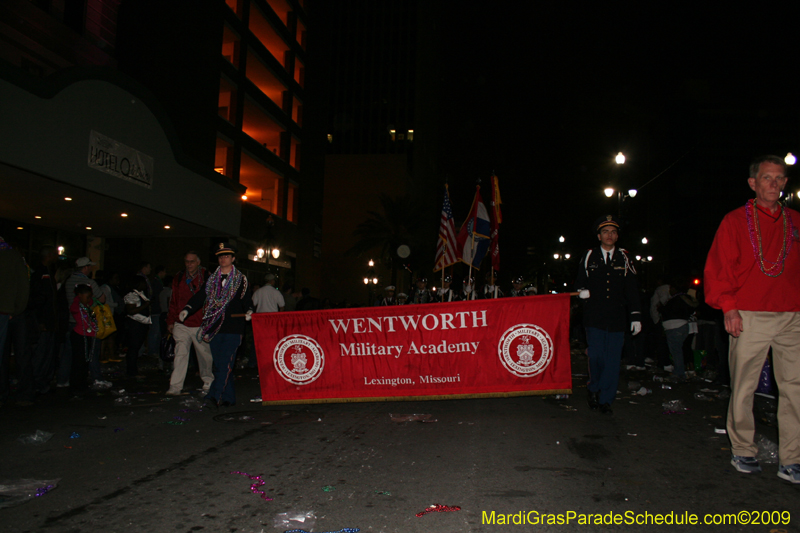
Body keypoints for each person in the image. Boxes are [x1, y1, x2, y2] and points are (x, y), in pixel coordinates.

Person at [704, 155, 800, 483]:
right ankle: (743, 449)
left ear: (785, 183)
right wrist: (729, 307)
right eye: (767, 178)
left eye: (779, 178)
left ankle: (792, 458)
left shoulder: (796, 221)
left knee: (794, 389)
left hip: (793, 316)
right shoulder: (734, 221)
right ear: (753, 183)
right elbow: (719, 267)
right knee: (744, 386)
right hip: (750, 315)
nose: (773, 184)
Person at [575, 215, 642, 414]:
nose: (609, 235)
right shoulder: (589, 256)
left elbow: (632, 290)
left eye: (613, 232)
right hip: (594, 316)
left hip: (617, 317)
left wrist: (636, 316)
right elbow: (578, 282)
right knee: (596, 356)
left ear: (617, 236)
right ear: (599, 236)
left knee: (613, 360)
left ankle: (606, 399)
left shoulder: (625, 257)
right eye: (605, 231)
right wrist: (581, 292)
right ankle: (593, 387)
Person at [179, 243, 252, 409]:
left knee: (225, 363)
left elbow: (247, 299)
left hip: (233, 328)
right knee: (221, 365)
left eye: (226, 256)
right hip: (215, 327)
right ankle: (229, 398)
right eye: (220, 256)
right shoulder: (212, 279)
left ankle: (214, 395)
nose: (223, 259)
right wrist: (187, 309)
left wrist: (249, 311)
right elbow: (200, 296)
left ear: (233, 258)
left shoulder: (241, 279)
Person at [166, 251, 213, 396]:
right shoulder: (179, 277)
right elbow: (174, 300)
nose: (189, 264)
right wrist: (171, 320)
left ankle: (208, 380)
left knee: (204, 355)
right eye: (187, 261)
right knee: (180, 354)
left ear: (198, 262)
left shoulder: (206, 276)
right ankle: (175, 386)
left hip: (200, 323)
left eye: (192, 261)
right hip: (182, 323)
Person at [59, 257, 107, 389]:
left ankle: (62, 379)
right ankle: (96, 378)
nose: (91, 269)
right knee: (91, 352)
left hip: (72, 321)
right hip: (86, 322)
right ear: (85, 268)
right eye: (89, 267)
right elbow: (102, 299)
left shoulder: (68, 281)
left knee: (68, 353)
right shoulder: (88, 282)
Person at [0, 236, 31, 407]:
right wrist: (17, 309)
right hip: (11, 311)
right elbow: (24, 285)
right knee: (21, 354)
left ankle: (8, 394)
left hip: (10, 310)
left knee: (11, 355)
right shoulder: (14, 258)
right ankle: (24, 394)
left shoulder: (12, 258)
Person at [29, 246, 59, 397]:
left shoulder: (48, 272)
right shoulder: (40, 273)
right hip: (44, 321)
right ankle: (37, 383)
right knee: (41, 354)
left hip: (50, 321)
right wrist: (40, 320)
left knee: (47, 354)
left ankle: (43, 383)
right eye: (55, 254)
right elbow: (37, 299)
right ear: (48, 255)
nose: (57, 256)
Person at [660, 280, 699, 381]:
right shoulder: (685, 298)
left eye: (671, 288)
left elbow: (668, 311)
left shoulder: (677, 299)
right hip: (682, 326)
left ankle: (679, 373)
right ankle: (683, 371)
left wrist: (661, 309)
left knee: (676, 351)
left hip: (675, 327)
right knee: (681, 349)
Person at [68, 284, 99, 397]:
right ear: (80, 296)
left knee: (86, 361)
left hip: (87, 335)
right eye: (87, 297)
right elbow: (78, 312)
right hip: (79, 335)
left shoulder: (87, 305)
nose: (89, 299)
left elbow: (92, 314)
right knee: (78, 362)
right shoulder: (76, 306)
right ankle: (76, 386)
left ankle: (83, 384)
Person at [123, 277, 151, 378]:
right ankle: (132, 371)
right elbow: (130, 311)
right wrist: (146, 305)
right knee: (133, 348)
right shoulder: (131, 295)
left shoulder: (140, 293)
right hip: (135, 324)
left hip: (141, 323)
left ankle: (133, 370)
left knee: (136, 348)